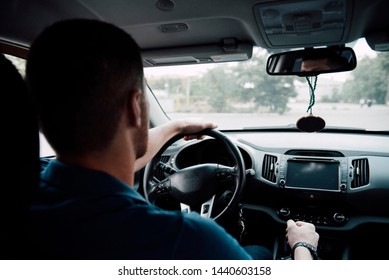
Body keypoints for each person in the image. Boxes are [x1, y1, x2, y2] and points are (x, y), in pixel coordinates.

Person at [25, 19, 319, 260]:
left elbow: (117, 155)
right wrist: (303, 246)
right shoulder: (190, 241)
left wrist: (175, 128)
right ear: (133, 107)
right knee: (261, 252)